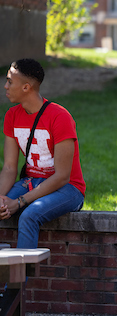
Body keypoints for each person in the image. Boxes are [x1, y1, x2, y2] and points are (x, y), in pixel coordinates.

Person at [1, 58, 86, 248]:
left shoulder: (59, 117)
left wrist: (20, 201)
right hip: (31, 182)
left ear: (26, 87)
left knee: (29, 215)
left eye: (9, 81)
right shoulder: (12, 116)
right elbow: (8, 167)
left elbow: (63, 176)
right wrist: (1, 199)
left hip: (68, 188)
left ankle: (18, 278)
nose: (5, 86)